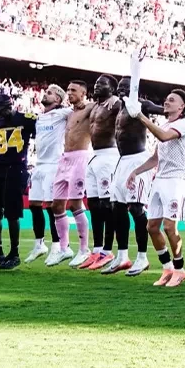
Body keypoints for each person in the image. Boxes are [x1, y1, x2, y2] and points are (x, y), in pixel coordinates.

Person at [124, 89, 185, 287]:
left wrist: (139, 115)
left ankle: (179, 270)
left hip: (177, 180)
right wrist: (136, 171)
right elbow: (156, 158)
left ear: (181, 107)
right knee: (152, 227)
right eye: (166, 99)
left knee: (169, 226)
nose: (166, 102)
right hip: (160, 179)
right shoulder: (165, 124)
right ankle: (167, 268)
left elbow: (164, 137)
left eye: (172, 100)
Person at [102, 77, 164, 276]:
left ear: (135, 89)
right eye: (119, 88)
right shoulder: (119, 106)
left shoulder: (141, 105)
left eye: (126, 88)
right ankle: (122, 256)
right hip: (121, 160)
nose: (121, 91)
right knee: (116, 208)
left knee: (136, 208)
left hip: (138, 160)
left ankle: (142, 257)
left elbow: (163, 110)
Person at [0, 92, 38, 270]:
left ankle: (14, 253)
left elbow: (43, 131)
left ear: (9, 106)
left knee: (12, 211)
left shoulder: (26, 119)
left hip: (15, 169)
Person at [48, 80, 104, 267]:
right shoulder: (68, 113)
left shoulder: (90, 108)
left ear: (83, 93)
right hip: (64, 158)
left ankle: (83, 249)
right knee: (56, 205)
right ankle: (64, 249)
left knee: (75, 204)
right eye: (68, 89)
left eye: (73, 90)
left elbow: (103, 103)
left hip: (80, 158)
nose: (69, 93)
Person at [80, 75, 124, 269]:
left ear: (112, 89)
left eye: (102, 84)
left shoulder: (115, 104)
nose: (97, 86)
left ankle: (107, 250)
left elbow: (129, 107)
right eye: (96, 83)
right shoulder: (94, 106)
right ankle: (97, 250)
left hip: (109, 155)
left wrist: (119, 100)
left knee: (107, 205)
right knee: (94, 204)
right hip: (94, 155)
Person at [26, 85, 71, 263]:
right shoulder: (39, 118)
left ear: (58, 99)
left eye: (50, 93)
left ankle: (57, 246)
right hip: (39, 165)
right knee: (34, 205)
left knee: (52, 207)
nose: (46, 94)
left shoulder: (62, 114)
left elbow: (79, 111)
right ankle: (39, 244)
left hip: (54, 164)